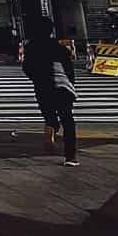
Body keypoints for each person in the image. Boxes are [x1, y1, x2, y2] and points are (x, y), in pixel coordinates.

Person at [23, 16, 78, 166]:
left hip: (43, 87)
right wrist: (72, 84)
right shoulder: (59, 47)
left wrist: (37, 77)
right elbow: (69, 70)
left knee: (49, 115)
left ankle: (52, 127)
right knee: (68, 119)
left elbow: (27, 69)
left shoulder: (31, 47)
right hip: (63, 86)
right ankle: (70, 156)